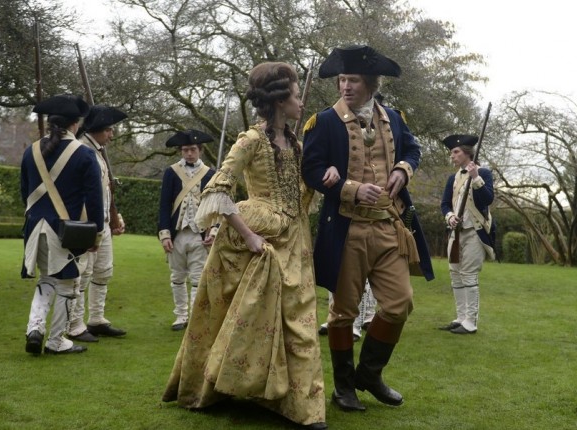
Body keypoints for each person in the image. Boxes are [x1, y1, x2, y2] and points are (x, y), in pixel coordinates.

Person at [162, 62, 327, 430]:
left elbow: (301, 192)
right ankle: (222, 386)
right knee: (240, 316)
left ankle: (301, 406)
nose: (301, 102)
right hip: (260, 238)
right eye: (296, 95)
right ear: (280, 100)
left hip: (296, 239)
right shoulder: (250, 140)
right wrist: (249, 236)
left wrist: (325, 176)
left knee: (299, 322)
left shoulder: (297, 144)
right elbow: (218, 188)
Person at [302, 45, 435, 412]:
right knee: (343, 313)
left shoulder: (394, 117)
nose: (346, 86)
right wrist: (350, 188)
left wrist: (403, 170)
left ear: (372, 84)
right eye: (342, 80)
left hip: (390, 227)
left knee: (399, 304)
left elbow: (413, 151)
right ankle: (344, 387)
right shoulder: (323, 122)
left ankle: (370, 375)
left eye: (354, 80)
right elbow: (309, 168)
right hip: (348, 230)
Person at [21, 94, 104, 355]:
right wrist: (96, 235)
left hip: (35, 228)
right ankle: (56, 341)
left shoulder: (31, 151)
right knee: (69, 284)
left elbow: (24, 192)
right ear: (75, 124)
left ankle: (35, 329)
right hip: (65, 231)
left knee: (46, 278)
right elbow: (95, 200)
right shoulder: (85, 154)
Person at [67, 105, 128, 342]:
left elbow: (104, 192)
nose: (112, 135)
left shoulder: (98, 151)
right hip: (86, 223)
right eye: (109, 130)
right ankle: (75, 324)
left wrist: (114, 217)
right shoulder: (81, 150)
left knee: (103, 272)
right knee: (82, 275)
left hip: (102, 222)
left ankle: (96, 319)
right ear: (97, 129)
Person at [157, 129, 217, 331]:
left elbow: (215, 206)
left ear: (200, 150)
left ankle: (195, 318)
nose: (189, 154)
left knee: (198, 279)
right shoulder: (171, 172)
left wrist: (213, 230)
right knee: (177, 277)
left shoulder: (210, 174)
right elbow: (164, 205)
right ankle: (181, 316)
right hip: (178, 235)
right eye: (185, 150)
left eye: (192, 149)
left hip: (200, 234)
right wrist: (165, 234)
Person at [439, 134, 495, 334]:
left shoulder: (484, 173)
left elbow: (487, 199)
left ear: (467, 153)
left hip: (474, 232)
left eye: (456, 152)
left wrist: (476, 177)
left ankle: (471, 322)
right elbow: (445, 204)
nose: (452, 156)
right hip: (456, 233)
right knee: (455, 275)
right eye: (452, 152)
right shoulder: (453, 178)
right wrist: (450, 217)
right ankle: (460, 318)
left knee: (469, 275)